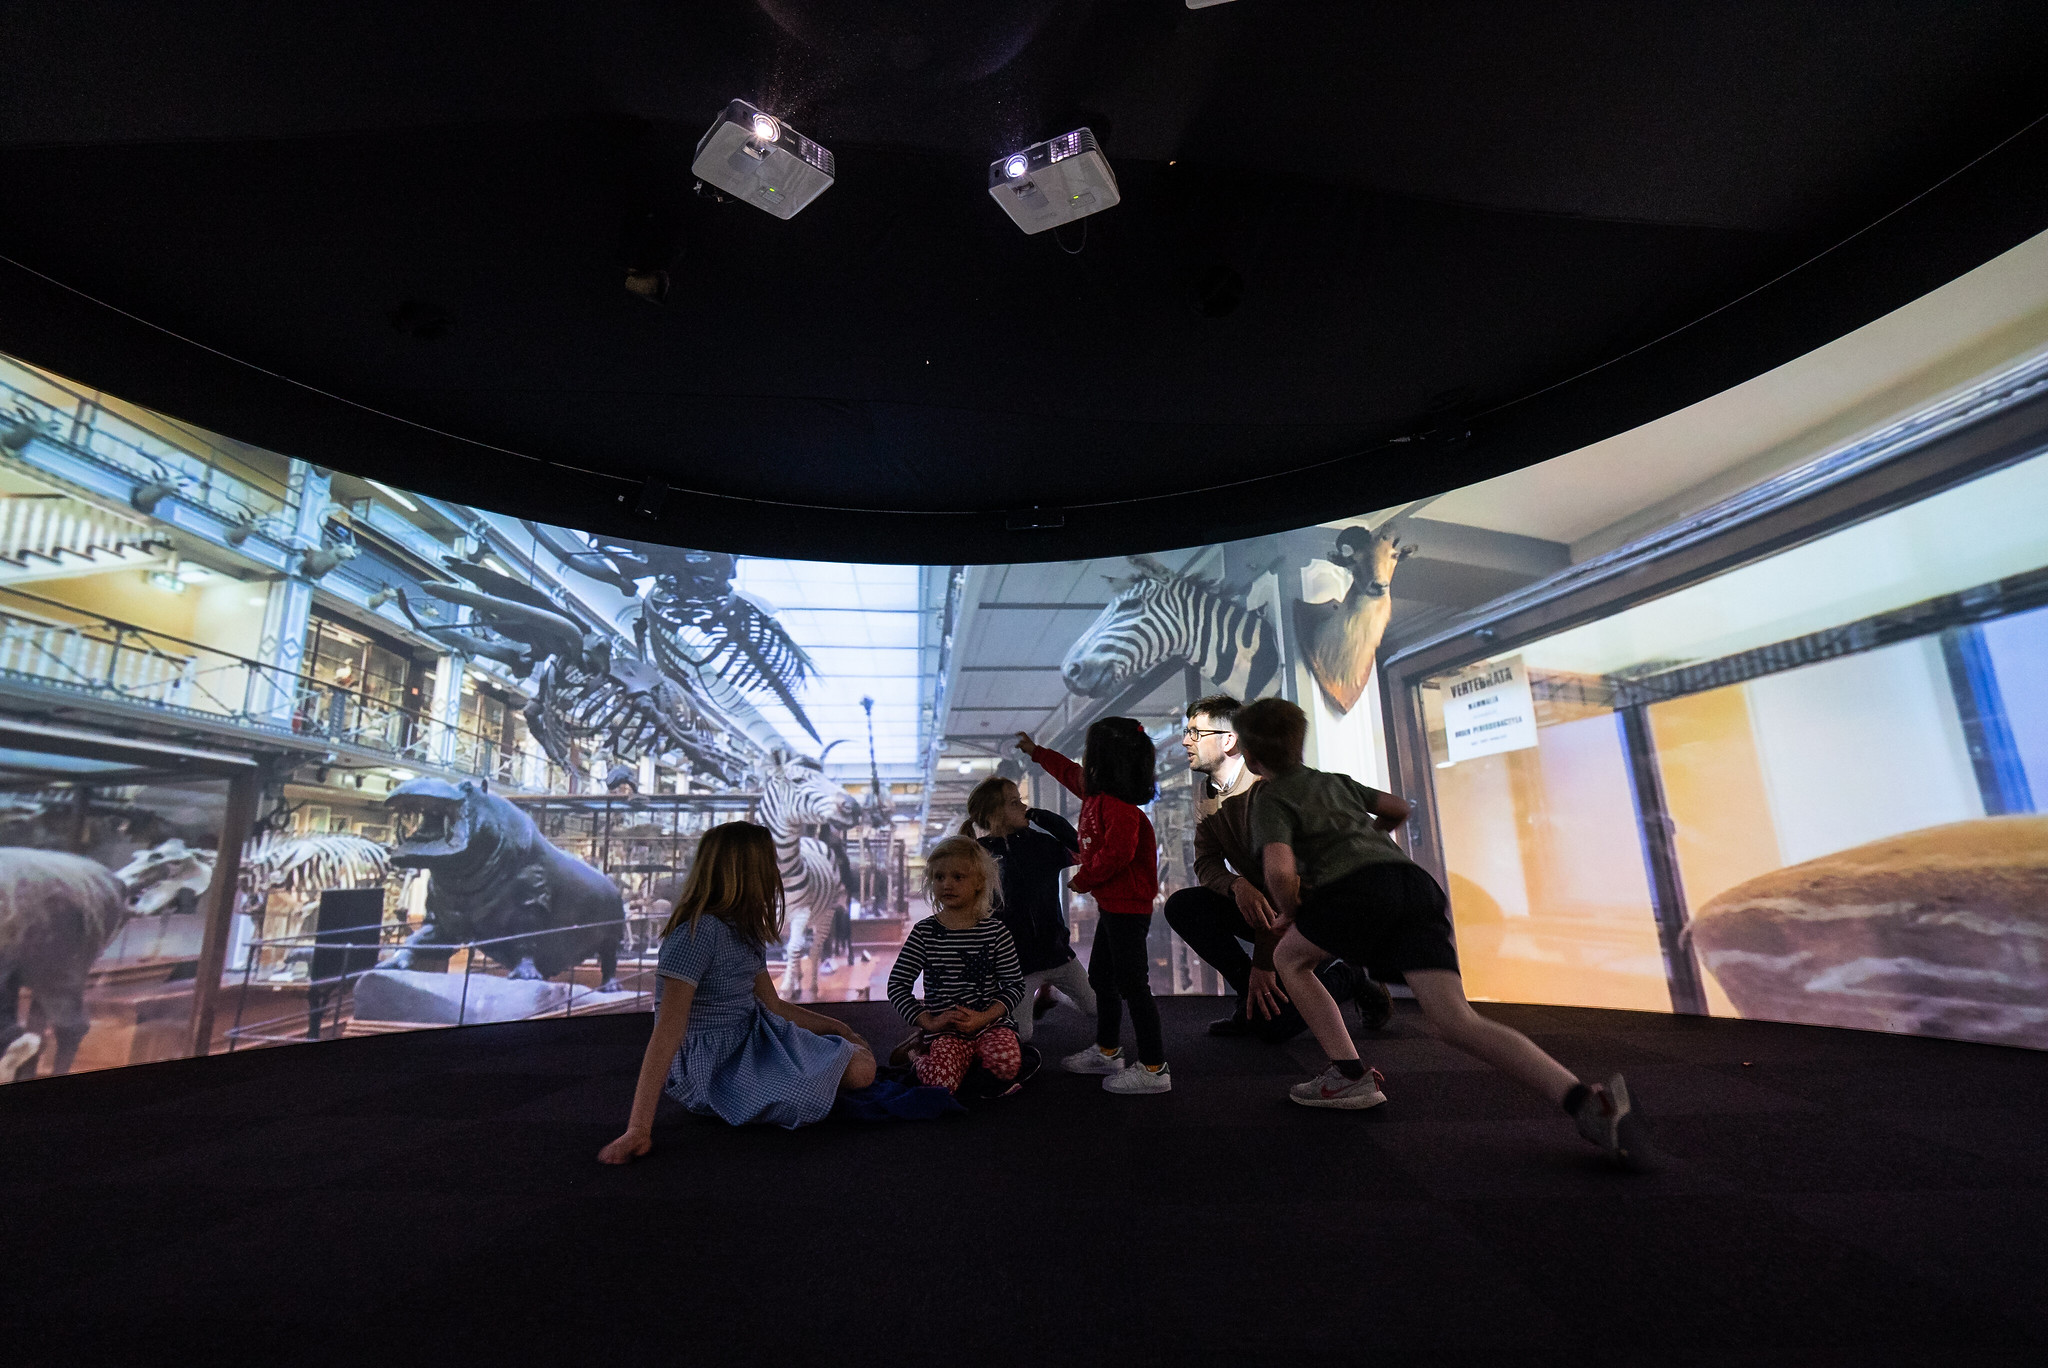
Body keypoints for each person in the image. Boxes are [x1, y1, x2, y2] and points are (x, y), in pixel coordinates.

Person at [1232, 698, 1652, 1168]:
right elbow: (1397, 808)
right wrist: (1367, 841)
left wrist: (1293, 911)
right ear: (1298, 741)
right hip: (1413, 884)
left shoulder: (1270, 797)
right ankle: (1586, 1103)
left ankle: (1348, 1074)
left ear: (1249, 757)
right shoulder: (1333, 783)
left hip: (1355, 893)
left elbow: (1278, 871)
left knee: (1289, 958)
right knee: (1455, 1019)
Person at [597, 821, 876, 1160]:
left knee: (859, 1058)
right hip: (715, 1065)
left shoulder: (743, 930)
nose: (776, 874)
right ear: (747, 871)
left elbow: (772, 1005)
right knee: (861, 1069)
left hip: (754, 1038)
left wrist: (837, 1027)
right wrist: (638, 1128)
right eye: (768, 864)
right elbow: (668, 1030)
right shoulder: (697, 934)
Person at [1164, 694, 1391, 1041]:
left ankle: (1352, 974)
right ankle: (1253, 1000)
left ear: (1228, 740)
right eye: (1187, 731)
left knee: (1277, 1030)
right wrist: (1237, 886)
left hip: (1306, 910)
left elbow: (1288, 883)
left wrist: (1264, 964)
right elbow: (1206, 862)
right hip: (1269, 905)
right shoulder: (1205, 793)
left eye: (1195, 733)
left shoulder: (1268, 789)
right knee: (1183, 906)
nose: (1185, 741)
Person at [1018, 720, 1170, 1095]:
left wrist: (1083, 879)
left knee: (1134, 985)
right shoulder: (1096, 795)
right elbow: (1068, 772)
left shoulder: (1120, 809)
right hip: (1112, 906)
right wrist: (1037, 753)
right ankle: (1108, 1051)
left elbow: (1118, 853)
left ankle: (1154, 1068)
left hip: (1128, 909)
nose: (1082, 763)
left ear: (1104, 759)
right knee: (1103, 981)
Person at [960, 775, 1096, 1043]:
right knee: (1022, 1035)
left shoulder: (1039, 844)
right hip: (1018, 965)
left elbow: (1078, 847)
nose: (1023, 807)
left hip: (1057, 953)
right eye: (1015, 803)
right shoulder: (980, 855)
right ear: (994, 814)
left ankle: (1053, 994)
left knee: (1095, 1007)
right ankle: (1034, 998)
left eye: (1022, 801)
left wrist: (1040, 816)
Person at [886, 836, 1027, 1093]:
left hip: (991, 1025)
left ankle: (972, 1065)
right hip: (945, 1031)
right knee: (939, 1084)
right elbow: (897, 984)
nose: (947, 884)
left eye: (957, 877)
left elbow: (1015, 985)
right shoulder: (924, 932)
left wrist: (985, 1017)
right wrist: (927, 1021)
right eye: (939, 878)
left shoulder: (996, 932)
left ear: (978, 883)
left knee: (1005, 1063)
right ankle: (916, 1055)